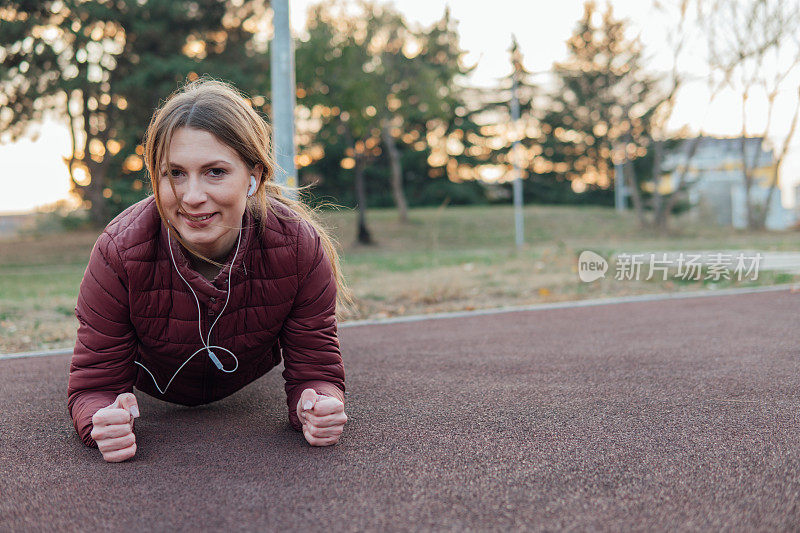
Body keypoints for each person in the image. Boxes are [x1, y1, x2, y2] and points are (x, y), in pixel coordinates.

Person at [67, 78, 349, 462]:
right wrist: (100, 419)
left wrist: (317, 406)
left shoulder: (299, 247)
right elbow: (94, 385)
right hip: (152, 384)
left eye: (215, 171)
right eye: (175, 173)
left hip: (242, 377)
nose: (192, 196)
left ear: (254, 177)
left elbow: (316, 373)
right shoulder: (119, 251)